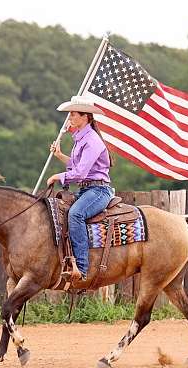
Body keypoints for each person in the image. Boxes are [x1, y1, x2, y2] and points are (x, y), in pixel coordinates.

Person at [46, 95, 114, 282]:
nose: (69, 119)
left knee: (75, 214)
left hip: (98, 191)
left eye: (73, 115)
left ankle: (82, 269)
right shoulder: (81, 139)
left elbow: (81, 173)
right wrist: (60, 155)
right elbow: (76, 166)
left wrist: (57, 176)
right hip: (87, 190)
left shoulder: (92, 140)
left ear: (86, 117)